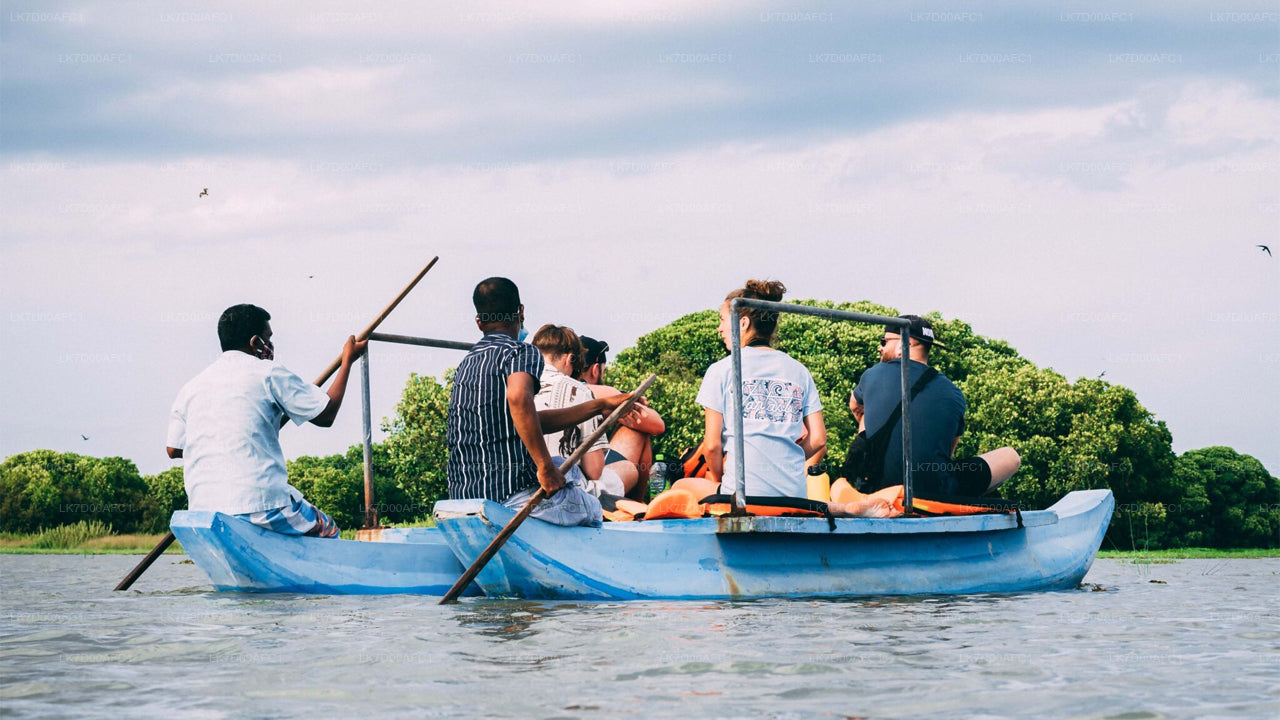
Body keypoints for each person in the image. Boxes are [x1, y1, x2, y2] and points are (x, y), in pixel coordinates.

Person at [446, 277, 638, 526]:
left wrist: (599, 406)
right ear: (521, 312)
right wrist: (544, 467)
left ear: (479, 322)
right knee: (591, 509)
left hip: (464, 497)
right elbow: (518, 398)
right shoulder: (520, 352)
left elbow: (529, 418)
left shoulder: (467, 362)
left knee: (565, 468)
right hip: (509, 498)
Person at [165, 304, 365, 538]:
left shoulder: (190, 388)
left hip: (202, 510)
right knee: (327, 528)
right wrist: (347, 361)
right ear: (255, 342)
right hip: (260, 505)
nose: (271, 345)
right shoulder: (269, 372)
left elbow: (173, 449)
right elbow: (326, 415)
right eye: (268, 338)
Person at [673, 280, 826, 500]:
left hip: (742, 495)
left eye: (722, 320)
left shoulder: (722, 369)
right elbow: (819, 439)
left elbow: (712, 446)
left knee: (680, 485)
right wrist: (785, 460)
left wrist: (718, 481)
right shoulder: (800, 370)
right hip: (794, 495)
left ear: (743, 323)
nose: (720, 328)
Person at [848, 314, 1021, 498]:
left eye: (884, 341)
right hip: (934, 492)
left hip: (875, 488)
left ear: (901, 346)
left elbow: (855, 406)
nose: (880, 347)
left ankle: (867, 478)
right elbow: (949, 451)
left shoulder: (872, 374)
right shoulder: (954, 393)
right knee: (1011, 456)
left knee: (866, 412)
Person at [530, 324, 628, 498]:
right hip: (562, 488)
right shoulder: (580, 391)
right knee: (620, 475)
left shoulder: (516, 386)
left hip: (520, 485)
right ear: (569, 359)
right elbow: (594, 470)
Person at [580, 335, 665, 501]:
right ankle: (637, 506)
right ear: (595, 369)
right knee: (640, 430)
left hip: (558, 475)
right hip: (586, 482)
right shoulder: (597, 392)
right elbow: (657, 425)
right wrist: (625, 401)